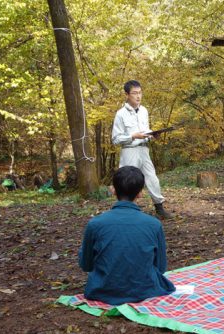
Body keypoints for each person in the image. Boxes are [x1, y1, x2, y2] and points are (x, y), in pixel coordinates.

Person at [79, 166, 175, 305]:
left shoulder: (95, 224)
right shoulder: (154, 224)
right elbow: (160, 267)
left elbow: (86, 265)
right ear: (140, 193)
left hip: (102, 291)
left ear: (113, 190)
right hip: (145, 291)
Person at [112, 80, 172, 219]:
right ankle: (125, 212)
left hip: (144, 150)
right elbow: (115, 139)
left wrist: (152, 134)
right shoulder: (120, 114)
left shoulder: (144, 110)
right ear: (127, 94)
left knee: (152, 178)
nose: (138, 96)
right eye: (134, 93)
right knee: (127, 181)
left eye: (140, 93)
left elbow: (146, 130)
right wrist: (133, 136)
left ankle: (159, 207)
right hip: (129, 150)